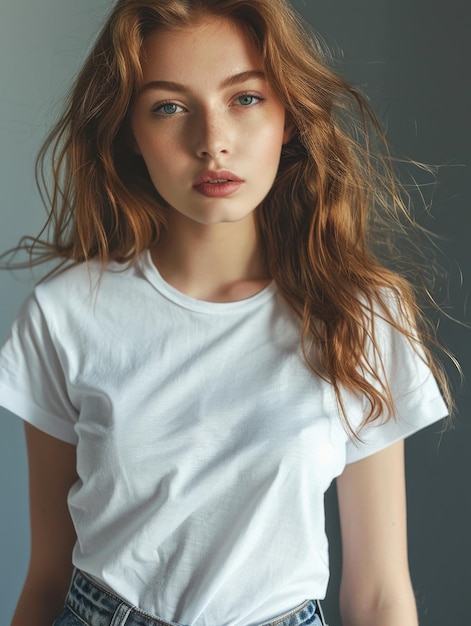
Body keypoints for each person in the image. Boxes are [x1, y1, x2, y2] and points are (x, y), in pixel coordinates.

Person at [0, 1, 451, 625]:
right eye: (169, 106)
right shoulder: (65, 315)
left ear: (288, 116)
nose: (212, 141)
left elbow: (378, 594)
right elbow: (48, 576)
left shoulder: (362, 316)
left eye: (245, 98)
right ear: (130, 131)